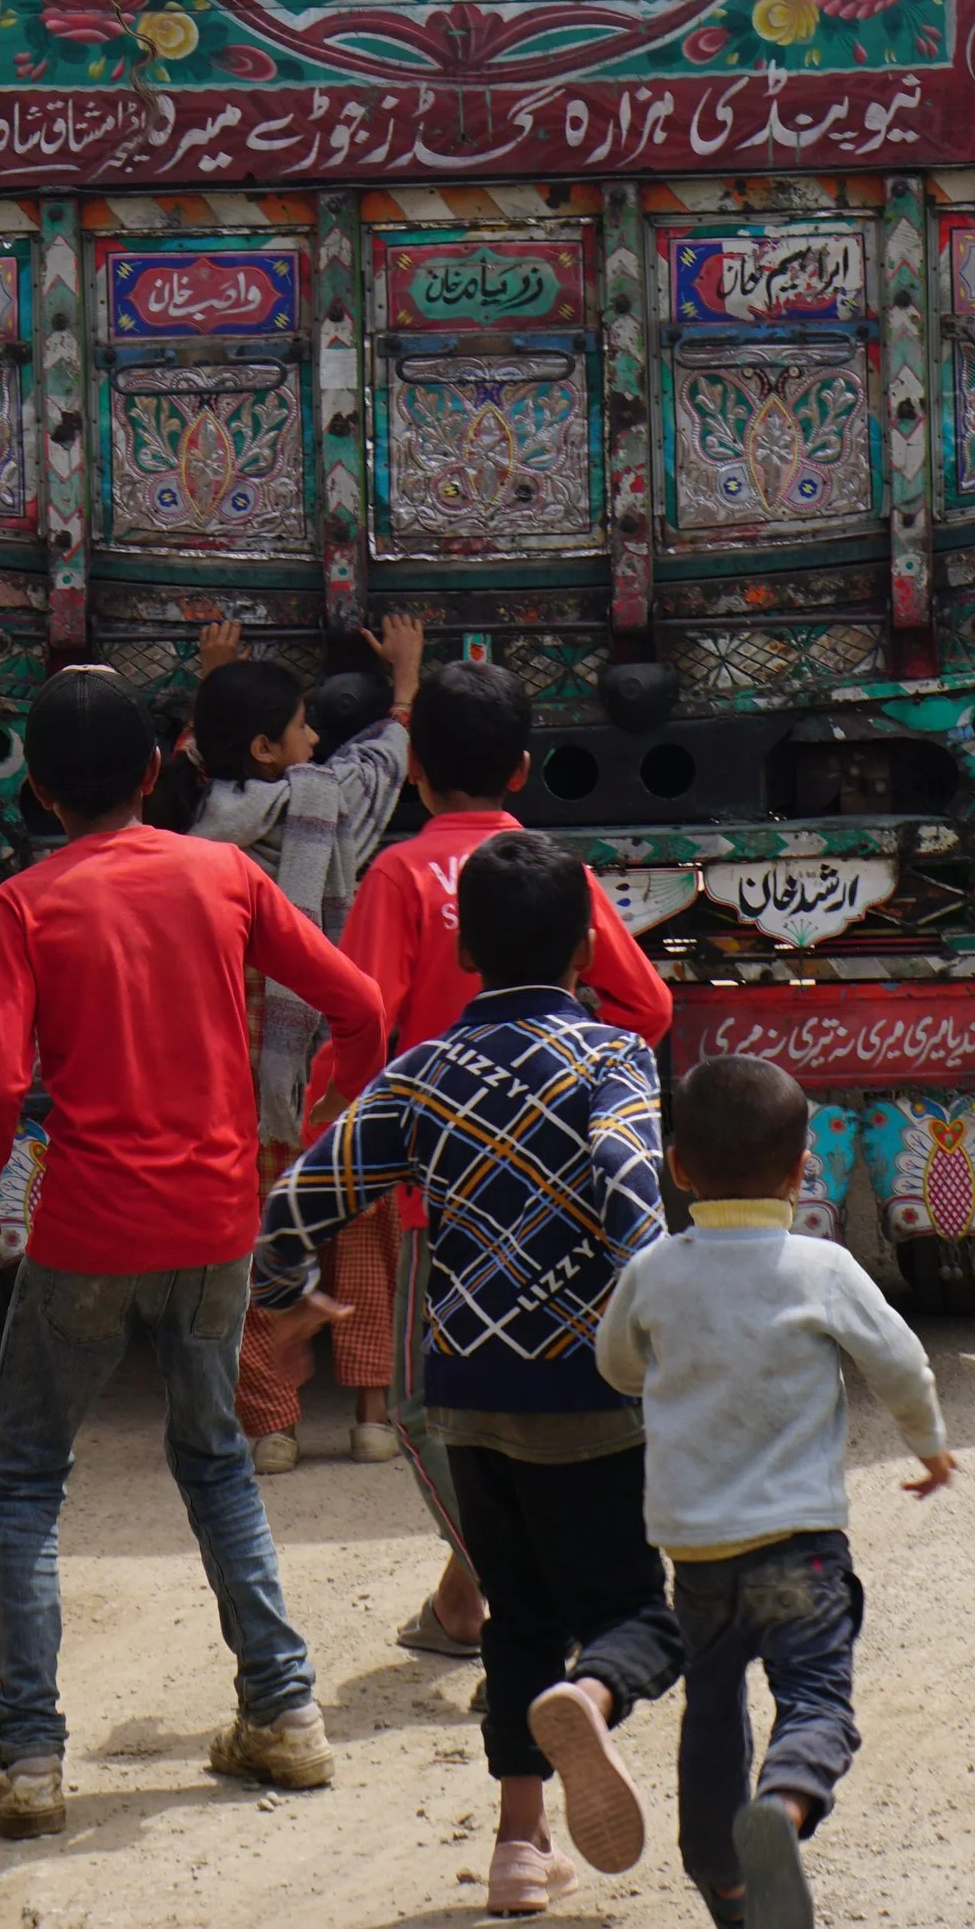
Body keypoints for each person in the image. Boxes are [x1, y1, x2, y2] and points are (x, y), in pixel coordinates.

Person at [0, 664, 387, 1843]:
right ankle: (283, 1715)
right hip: (214, 1222)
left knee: (26, 1479)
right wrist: (317, 1127)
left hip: (90, 1231)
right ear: (154, 773)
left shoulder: (27, 905)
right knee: (216, 1461)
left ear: (37, 789)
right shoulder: (226, 875)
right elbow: (358, 1007)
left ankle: (29, 1756)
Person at [256, 825, 680, 1922]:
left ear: (470, 947)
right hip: (587, 1391)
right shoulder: (610, 1060)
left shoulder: (423, 1072)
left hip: (466, 1392)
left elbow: (295, 1201)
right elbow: (633, 1204)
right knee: (640, 1618)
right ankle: (591, 1698)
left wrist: (287, 1295)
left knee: (515, 1615)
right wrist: (667, 1350)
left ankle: (517, 1851)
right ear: (589, 946)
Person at [308, 653, 674, 1665]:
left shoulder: (395, 875)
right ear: (523, 769)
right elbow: (647, 1006)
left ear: (415, 770)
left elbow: (365, 1020)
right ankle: (469, 1599)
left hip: (445, 1200)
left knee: (440, 1408)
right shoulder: (553, 875)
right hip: (566, 1195)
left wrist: (332, 1133)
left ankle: (504, 1596)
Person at [594, 1051, 957, 1929]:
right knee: (816, 1699)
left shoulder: (654, 1273)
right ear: (803, 1169)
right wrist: (930, 1445)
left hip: (700, 1553)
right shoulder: (820, 1269)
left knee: (712, 1711)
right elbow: (900, 1362)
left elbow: (616, 1367)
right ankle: (785, 1806)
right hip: (801, 1547)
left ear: (677, 1169)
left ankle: (725, 1880)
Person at [151, 611, 422, 1470]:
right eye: (304, 726)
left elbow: (184, 765)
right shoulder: (325, 803)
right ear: (270, 749)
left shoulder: (193, 823)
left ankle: (271, 1424)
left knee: (257, 1226)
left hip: (244, 1060)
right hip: (327, 1057)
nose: (317, 737)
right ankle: (374, 1412)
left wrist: (211, 684)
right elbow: (383, 762)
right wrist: (405, 685)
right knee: (363, 1223)